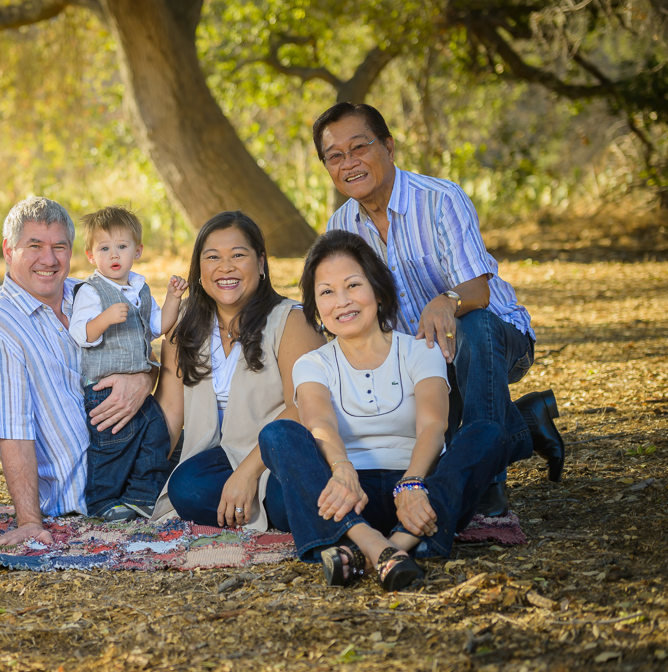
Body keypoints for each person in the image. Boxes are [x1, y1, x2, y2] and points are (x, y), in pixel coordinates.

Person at [312, 102, 565, 517]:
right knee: (435, 454)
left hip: (493, 343)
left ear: (389, 147)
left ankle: (488, 488)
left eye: (359, 147)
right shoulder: (340, 228)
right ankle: (525, 423)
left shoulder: (440, 199)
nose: (349, 163)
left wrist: (446, 301)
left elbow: (479, 293)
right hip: (422, 363)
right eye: (335, 156)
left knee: (475, 325)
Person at [259, 230, 510, 591]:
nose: (341, 301)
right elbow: (319, 420)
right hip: (342, 492)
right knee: (277, 434)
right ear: (316, 307)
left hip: (413, 492)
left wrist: (412, 482)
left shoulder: (419, 350)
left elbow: (433, 425)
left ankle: (359, 548)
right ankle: (386, 547)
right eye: (326, 292)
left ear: (378, 290)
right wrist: (341, 469)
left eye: (353, 285)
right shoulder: (312, 363)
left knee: (488, 433)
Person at [0, 197, 155, 546]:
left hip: (138, 460)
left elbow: (143, 340)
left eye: (59, 247)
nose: (49, 259)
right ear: (9, 251)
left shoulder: (89, 292)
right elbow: (12, 429)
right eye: (34, 246)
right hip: (82, 495)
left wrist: (144, 378)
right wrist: (28, 520)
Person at [151, 211, 326, 531]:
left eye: (238, 255)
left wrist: (248, 472)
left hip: (280, 456)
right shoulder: (184, 326)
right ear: (199, 270)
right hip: (217, 460)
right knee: (185, 486)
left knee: (280, 493)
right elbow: (170, 415)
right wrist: (137, 474)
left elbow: (304, 409)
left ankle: (267, 503)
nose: (226, 266)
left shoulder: (290, 321)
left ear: (261, 264)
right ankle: (270, 508)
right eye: (213, 256)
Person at [69, 206, 188, 521]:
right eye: (104, 248)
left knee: (157, 433)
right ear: (91, 256)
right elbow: (80, 333)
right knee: (111, 446)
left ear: (138, 250)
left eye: (121, 246)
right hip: (103, 388)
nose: (114, 255)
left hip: (139, 385)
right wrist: (104, 319)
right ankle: (102, 501)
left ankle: (141, 494)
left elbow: (158, 326)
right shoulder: (92, 291)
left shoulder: (140, 289)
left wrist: (174, 298)